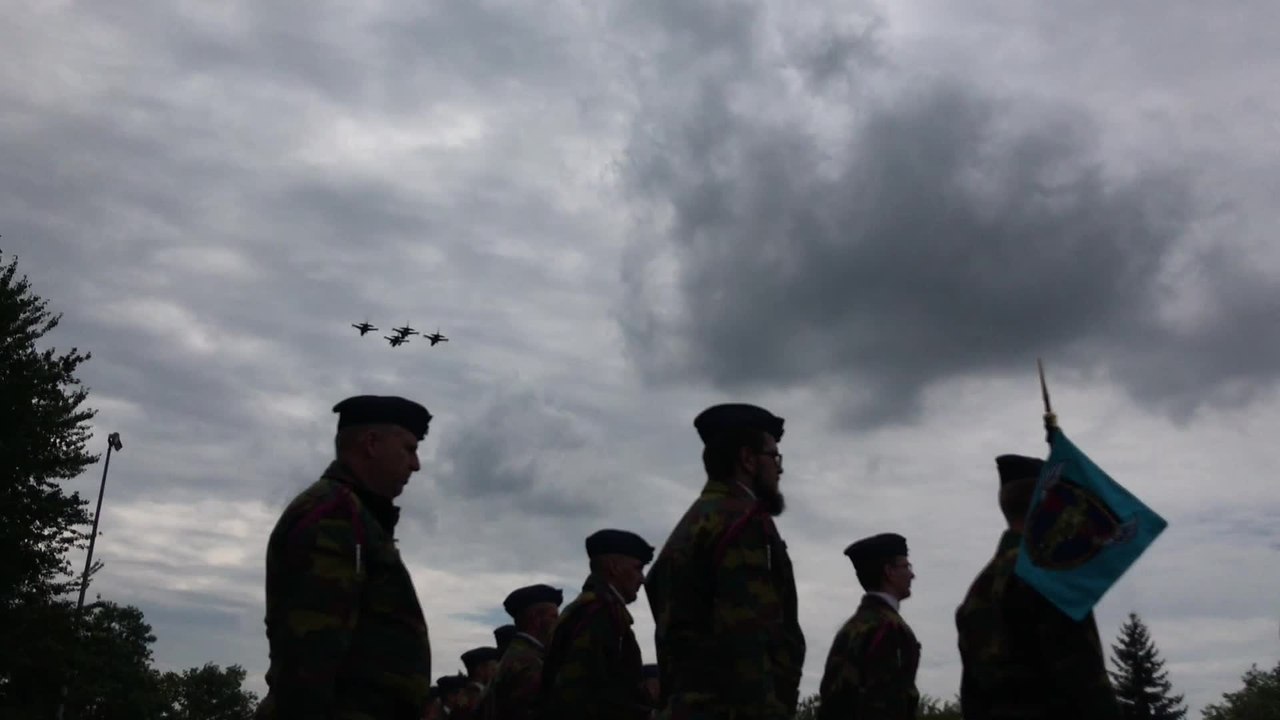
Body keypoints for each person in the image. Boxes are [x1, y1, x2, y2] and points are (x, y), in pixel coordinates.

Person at [255, 395, 434, 719]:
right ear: (372, 443)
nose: (416, 464)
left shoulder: (355, 516)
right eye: (409, 449)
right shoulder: (333, 516)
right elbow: (310, 659)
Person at [644, 403, 806, 719]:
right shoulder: (741, 523)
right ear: (747, 459)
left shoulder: (697, 520)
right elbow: (748, 637)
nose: (779, 468)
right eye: (773, 456)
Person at [955, 454, 1122, 720]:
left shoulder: (978, 591)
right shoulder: (1050, 576)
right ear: (1044, 503)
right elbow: (1086, 682)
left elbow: (972, 696)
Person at [541, 529, 657, 719]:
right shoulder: (599, 613)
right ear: (614, 567)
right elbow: (583, 694)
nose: (642, 579)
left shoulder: (593, 609)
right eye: (638, 568)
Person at [817, 533, 920, 720]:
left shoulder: (850, 628)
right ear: (889, 571)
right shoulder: (889, 629)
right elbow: (886, 705)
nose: (912, 574)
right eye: (906, 566)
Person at [476, 584, 564, 720]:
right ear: (536, 619)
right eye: (554, 617)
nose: (558, 623)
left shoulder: (516, 657)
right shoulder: (528, 663)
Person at [458, 647, 501, 714]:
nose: (496, 672)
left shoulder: (472, 691)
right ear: (480, 669)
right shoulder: (474, 694)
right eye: (493, 669)